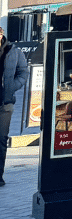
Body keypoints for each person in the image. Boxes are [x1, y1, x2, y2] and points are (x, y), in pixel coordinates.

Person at [0, 29, 27, 185]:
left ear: (1, 35)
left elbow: (23, 72)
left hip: (5, 104)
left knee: (1, 141)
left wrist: (12, 87)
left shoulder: (14, 51)